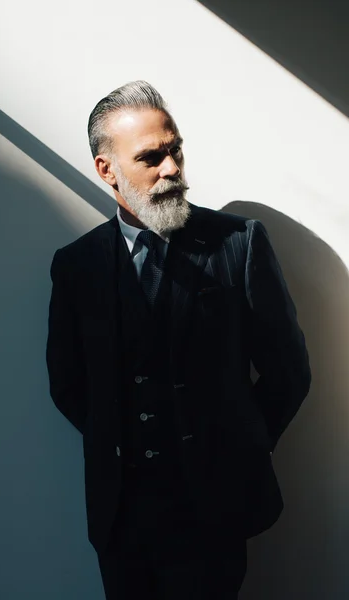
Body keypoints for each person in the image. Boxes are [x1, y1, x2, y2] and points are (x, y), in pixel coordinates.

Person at [46, 80, 311, 599]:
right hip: (120, 517)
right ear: (107, 170)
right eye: (151, 157)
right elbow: (69, 384)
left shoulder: (239, 242)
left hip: (213, 513)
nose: (171, 169)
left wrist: (234, 448)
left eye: (176, 150)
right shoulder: (75, 265)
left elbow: (288, 373)